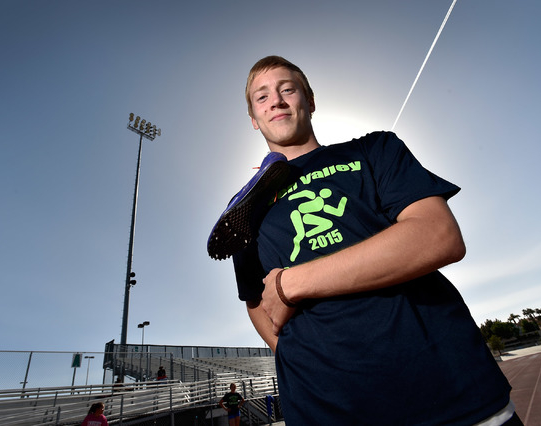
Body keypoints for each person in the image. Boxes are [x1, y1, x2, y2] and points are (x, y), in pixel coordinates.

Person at [217, 56, 522, 425]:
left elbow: (437, 235)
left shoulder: (373, 150)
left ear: (309, 101)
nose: (276, 101)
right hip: (327, 410)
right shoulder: (245, 208)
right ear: (253, 119)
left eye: (287, 89)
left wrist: (291, 283)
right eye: (262, 97)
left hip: (450, 393)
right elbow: (254, 300)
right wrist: (304, 357)